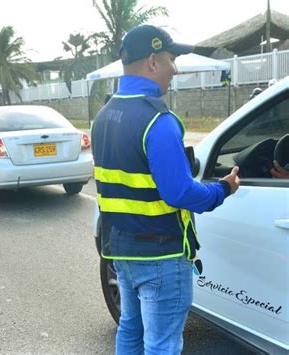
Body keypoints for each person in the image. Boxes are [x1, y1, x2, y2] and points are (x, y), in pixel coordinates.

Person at [91, 25, 240, 354]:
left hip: (121, 250)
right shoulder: (157, 121)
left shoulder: (103, 117)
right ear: (153, 61)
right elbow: (180, 193)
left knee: (130, 329)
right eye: (172, 60)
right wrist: (223, 189)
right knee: (162, 344)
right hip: (161, 255)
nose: (175, 69)